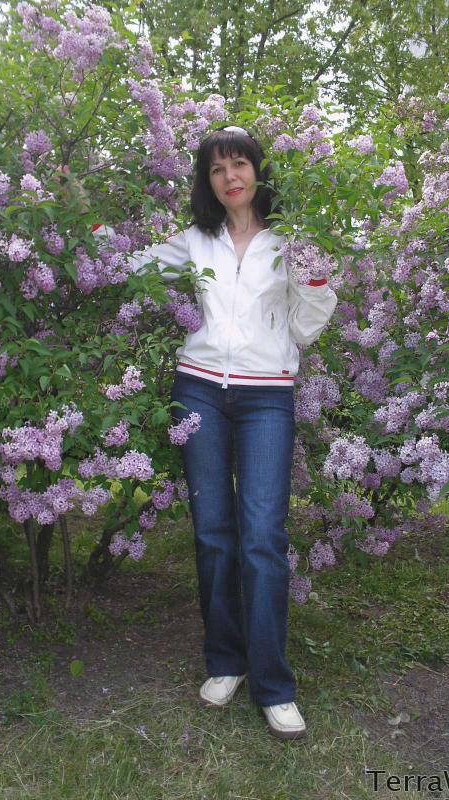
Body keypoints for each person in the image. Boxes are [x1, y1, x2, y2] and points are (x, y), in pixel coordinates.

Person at [90, 125, 338, 740]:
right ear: (208, 181)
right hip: (198, 388)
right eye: (218, 168)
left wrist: (313, 281)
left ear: (258, 170)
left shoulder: (289, 239)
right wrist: (88, 232)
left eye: (240, 164)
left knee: (263, 537)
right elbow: (133, 267)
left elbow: (305, 329)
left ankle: (274, 685)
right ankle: (226, 661)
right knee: (213, 535)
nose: (231, 177)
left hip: (267, 398)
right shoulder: (197, 239)